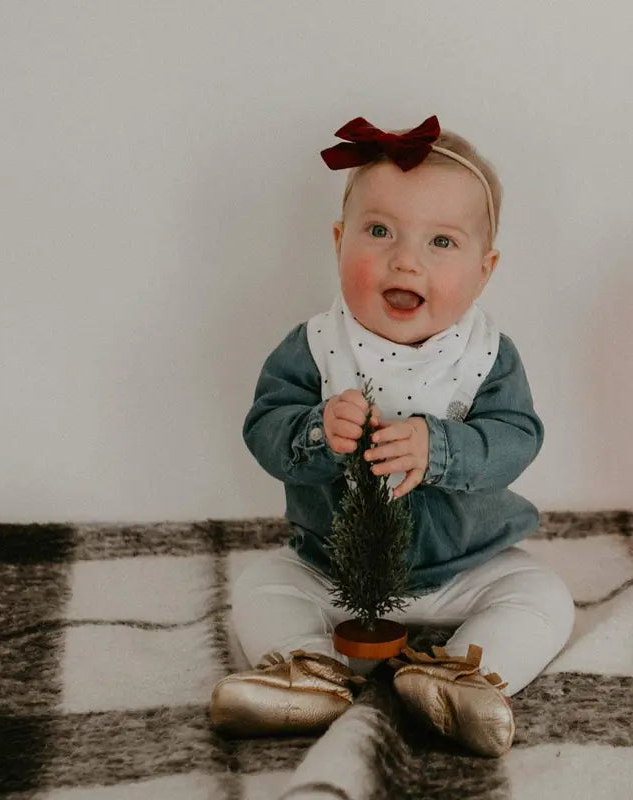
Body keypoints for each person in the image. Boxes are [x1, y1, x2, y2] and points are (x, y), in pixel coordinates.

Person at [209, 116, 575, 757]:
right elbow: (264, 430)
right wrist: (316, 431)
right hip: (332, 566)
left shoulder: (486, 356)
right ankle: (309, 671)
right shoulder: (316, 349)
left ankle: (457, 677)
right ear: (338, 241)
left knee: (544, 597)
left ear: (485, 270)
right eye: (379, 231)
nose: (405, 258)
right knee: (262, 583)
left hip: (468, 567)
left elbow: (518, 437)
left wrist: (442, 449)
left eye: (441, 242)